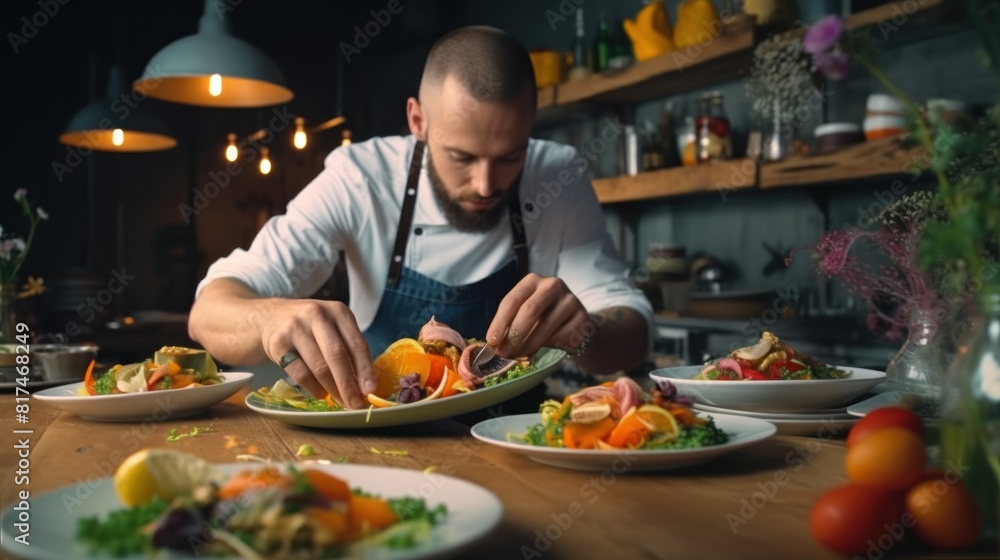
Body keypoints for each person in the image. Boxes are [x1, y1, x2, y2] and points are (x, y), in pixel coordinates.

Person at [188, 26, 653, 409]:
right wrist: (269, 319)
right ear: (417, 121)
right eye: (461, 156)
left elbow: (630, 332)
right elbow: (208, 313)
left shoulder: (560, 174)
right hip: (380, 438)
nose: (487, 184)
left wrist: (586, 331)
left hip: (517, 441)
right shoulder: (360, 178)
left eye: (511, 156)